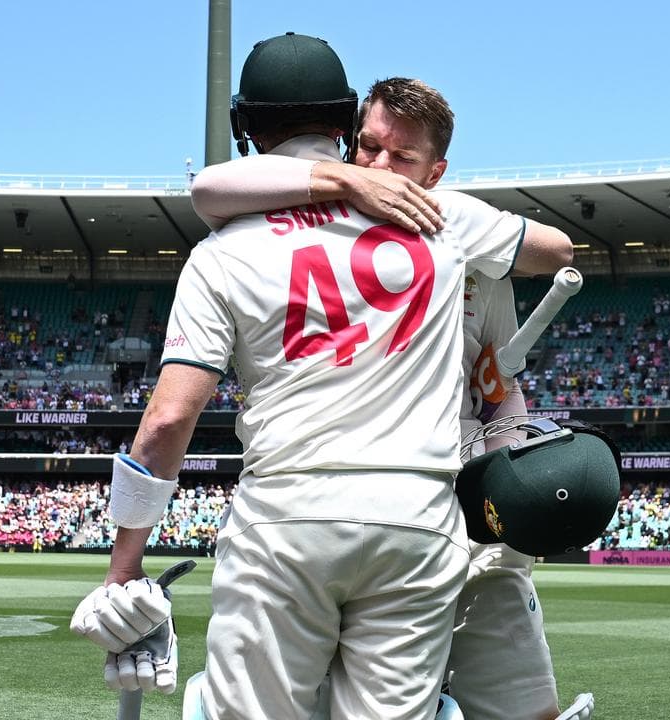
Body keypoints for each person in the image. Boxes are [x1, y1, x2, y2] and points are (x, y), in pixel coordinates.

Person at [72, 32, 572, 720]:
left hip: (286, 516)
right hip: (417, 521)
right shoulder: (441, 218)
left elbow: (165, 422)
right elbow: (555, 251)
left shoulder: (222, 252)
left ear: (244, 129)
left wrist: (122, 570)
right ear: (346, 123)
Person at [192, 76, 592, 720]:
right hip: (367, 510)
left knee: (521, 707)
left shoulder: (468, 247)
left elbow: (501, 392)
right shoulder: (313, 220)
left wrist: (511, 476)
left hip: (459, 510)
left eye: (401, 158)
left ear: (436, 172)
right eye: (368, 148)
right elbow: (208, 189)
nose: (380, 168)